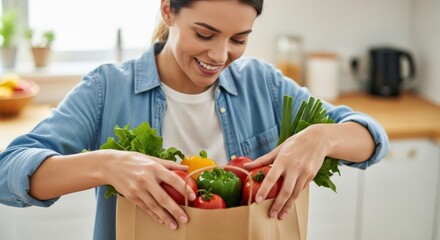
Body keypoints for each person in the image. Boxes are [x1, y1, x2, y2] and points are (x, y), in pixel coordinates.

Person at [0, 0, 389, 239]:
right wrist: (105, 164)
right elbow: (8, 172)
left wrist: (323, 137)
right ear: (168, 9)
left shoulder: (262, 84)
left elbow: (371, 139)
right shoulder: (108, 90)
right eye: (205, 34)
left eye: (238, 39)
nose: (220, 56)